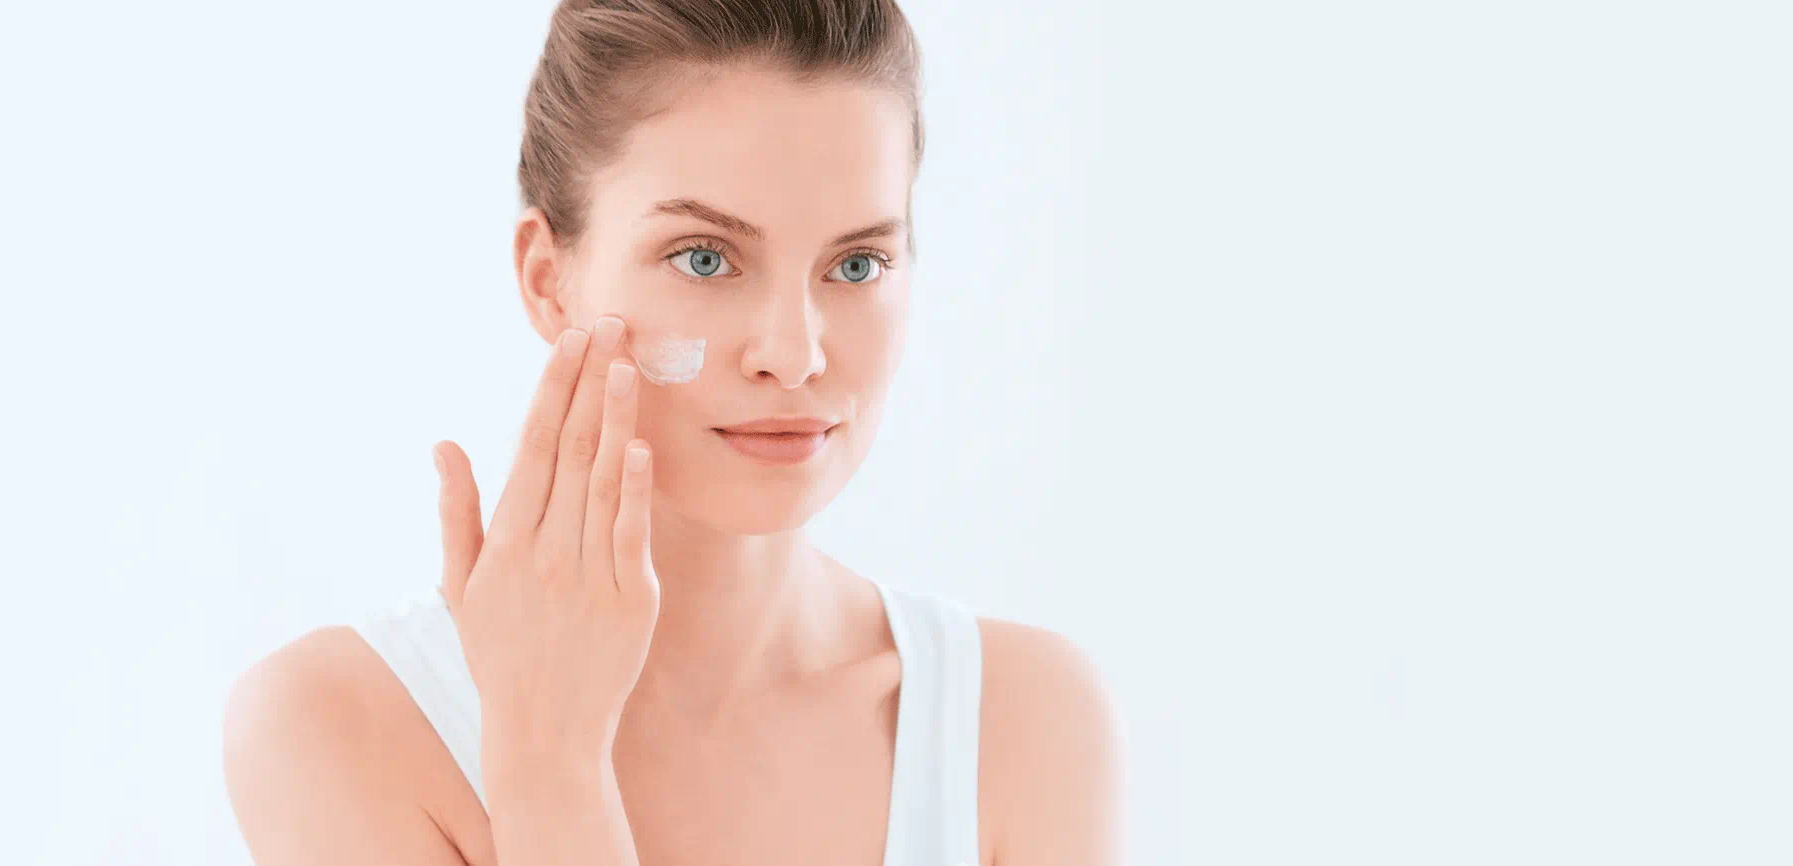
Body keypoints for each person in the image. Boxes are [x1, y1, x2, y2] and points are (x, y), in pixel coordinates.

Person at [221, 1, 1121, 863]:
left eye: (857, 264)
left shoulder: (1021, 724)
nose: (794, 355)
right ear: (547, 280)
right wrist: (544, 760)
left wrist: (553, 766)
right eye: (705, 258)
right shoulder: (340, 725)